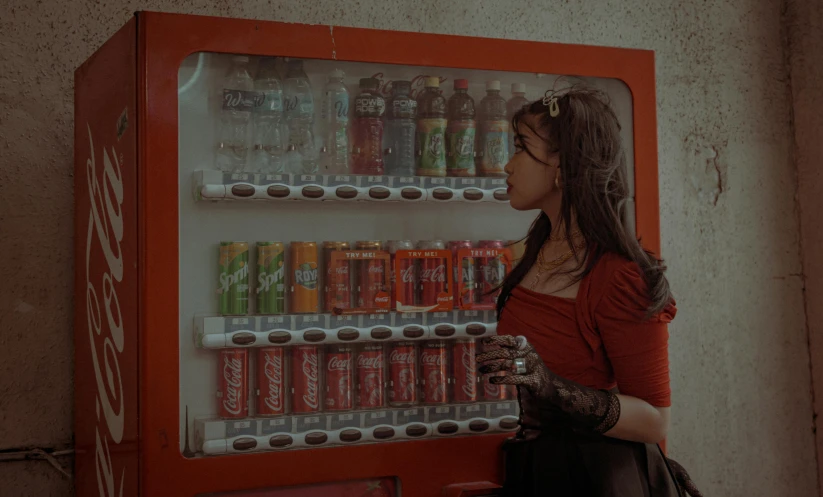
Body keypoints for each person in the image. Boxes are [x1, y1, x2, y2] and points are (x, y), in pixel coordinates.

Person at [476, 84, 702, 497]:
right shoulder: (539, 249)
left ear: (564, 164)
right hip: (541, 467)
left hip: (598, 477)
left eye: (522, 148)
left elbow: (655, 419)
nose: (507, 165)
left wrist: (548, 384)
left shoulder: (621, 278)